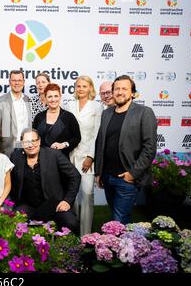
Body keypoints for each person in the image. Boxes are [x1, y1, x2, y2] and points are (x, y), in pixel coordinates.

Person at [95, 75, 157, 224]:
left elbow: (149, 148)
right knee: (121, 217)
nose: (120, 92)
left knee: (118, 219)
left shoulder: (144, 112)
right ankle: (129, 244)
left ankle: (118, 245)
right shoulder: (107, 113)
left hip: (127, 178)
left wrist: (132, 174)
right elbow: (100, 143)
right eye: (117, 89)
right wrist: (99, 172)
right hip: (108, 176)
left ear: (133, 93)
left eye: (124, 88)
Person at [10, 128, 81, 234]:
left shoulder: (53, 154)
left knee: (71, 223)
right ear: (22, 143)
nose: (30, 145)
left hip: (53, 204)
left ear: (39, 141)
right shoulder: (15, 156)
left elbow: (75, 176)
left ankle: (66, 249)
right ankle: (23, 250)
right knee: (13, 223)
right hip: (27, 205)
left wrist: (67, 200)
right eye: (26, 142)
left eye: (33, 141)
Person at [65, 76, 103, 236]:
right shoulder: (70, 104)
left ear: (90, 88)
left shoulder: (97, 106)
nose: (81, 89)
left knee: (87, 194)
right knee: (72, 195)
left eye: (84, 86)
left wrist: (90, 157)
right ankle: (72, 231)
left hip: (87, 156)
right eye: (78, 86)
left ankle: (85, 235)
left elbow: (96, 134)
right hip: (70, 156)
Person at [33, 83, 81, 159]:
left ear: (60, 97)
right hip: (41, 160)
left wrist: (63, 144)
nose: (53, 100)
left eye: (56, 96)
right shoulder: (39, 117)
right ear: (45, 98)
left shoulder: (69, 117)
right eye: (50, 97)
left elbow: (77, 137)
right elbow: (34, 138)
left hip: (62, 160)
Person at [0, 70, 32, 157]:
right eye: (14, 80)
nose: (17, 83)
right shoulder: (0, 101)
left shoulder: (27, 99)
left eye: (19, 80)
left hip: (27, 148)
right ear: (9, 82)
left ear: (23, 82)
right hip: (7, 150)